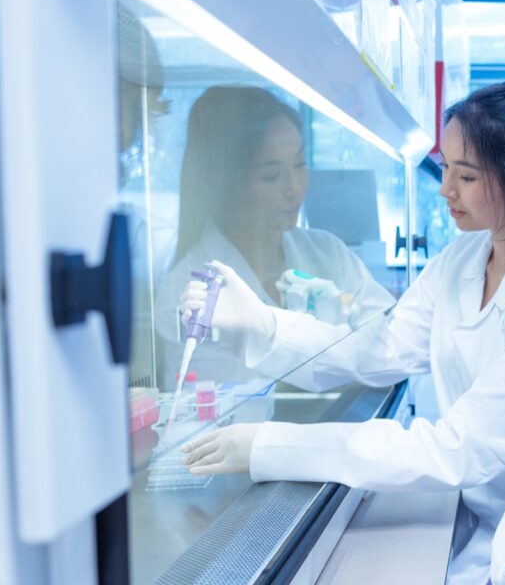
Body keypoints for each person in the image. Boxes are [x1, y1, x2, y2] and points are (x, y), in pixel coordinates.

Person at [177, 82, 505, 585]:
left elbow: (456, 450)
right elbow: (380, 347)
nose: (446, 189)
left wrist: (271, 445)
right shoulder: (464, 257)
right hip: (490, 510)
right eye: (446, 168)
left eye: (466, 176)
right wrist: (264, 324)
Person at [154, 85, 395, 387]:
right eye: (271, 176)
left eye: (300, 164)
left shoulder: (329, 253)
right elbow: (223, 401)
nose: (295, 188)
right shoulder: (189, 290)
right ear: (226, 183)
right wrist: (342, 352)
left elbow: (389, 345)